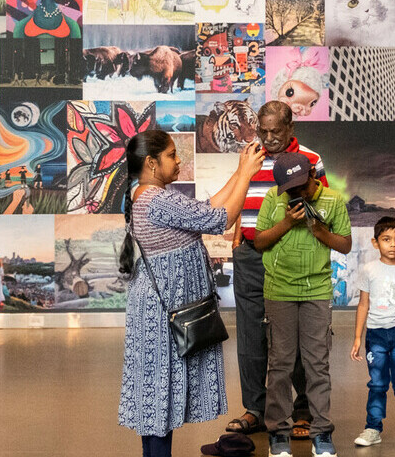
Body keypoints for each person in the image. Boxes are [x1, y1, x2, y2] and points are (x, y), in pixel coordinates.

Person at [119, 130, 265, 457]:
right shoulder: (157, 199)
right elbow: (221, 219)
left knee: (159, 395)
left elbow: (207, 208)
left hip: (160, 306)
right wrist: (245, 174)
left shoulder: (145, 194)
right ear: (151, 163)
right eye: (172, 155)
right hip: (163, 309)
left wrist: (241, 173)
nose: (179, 160)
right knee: (159, 394)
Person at [226, 101, 327, 438]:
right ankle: (254, 409)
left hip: (290, 257)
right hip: (251, 255)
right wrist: (239, 232)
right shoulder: (250, 156)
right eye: (262, 131)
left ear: (291, 129)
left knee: (293, 336)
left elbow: (323, 206)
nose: (268, 138)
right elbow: (241, 197)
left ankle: (302, 410)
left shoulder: (311, 160)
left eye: (275, 132)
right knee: (250, 333)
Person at [256, 151, 351, 457]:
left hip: (317, 291)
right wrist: (286, 222)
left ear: (312, 174)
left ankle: (321, 432)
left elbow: (345, 245)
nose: (295, 193)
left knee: (317, 365)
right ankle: (279, 433)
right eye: (290, 190)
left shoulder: (333, 201)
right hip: (279, 290)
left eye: (299, 186)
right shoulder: (273, 198)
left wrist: (319, 230)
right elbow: (259, 241)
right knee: (280, 364)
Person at [350, 217, 395, 450]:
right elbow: (363, 304)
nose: (392, 244)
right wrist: (357, 337)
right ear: (375, 242)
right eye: (386, 239)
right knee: (377, 384)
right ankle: (373, 428)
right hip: (376, 335)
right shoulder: (368, 270)